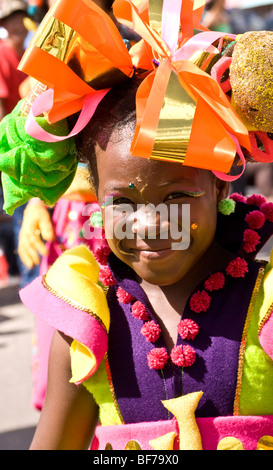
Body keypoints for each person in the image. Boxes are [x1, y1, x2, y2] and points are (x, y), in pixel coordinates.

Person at [1, 0, 273, 451]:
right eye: (122, 202)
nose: (150, 224)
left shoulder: (265, 301)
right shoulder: (87, 317)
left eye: (177, 197)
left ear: (222, 189)